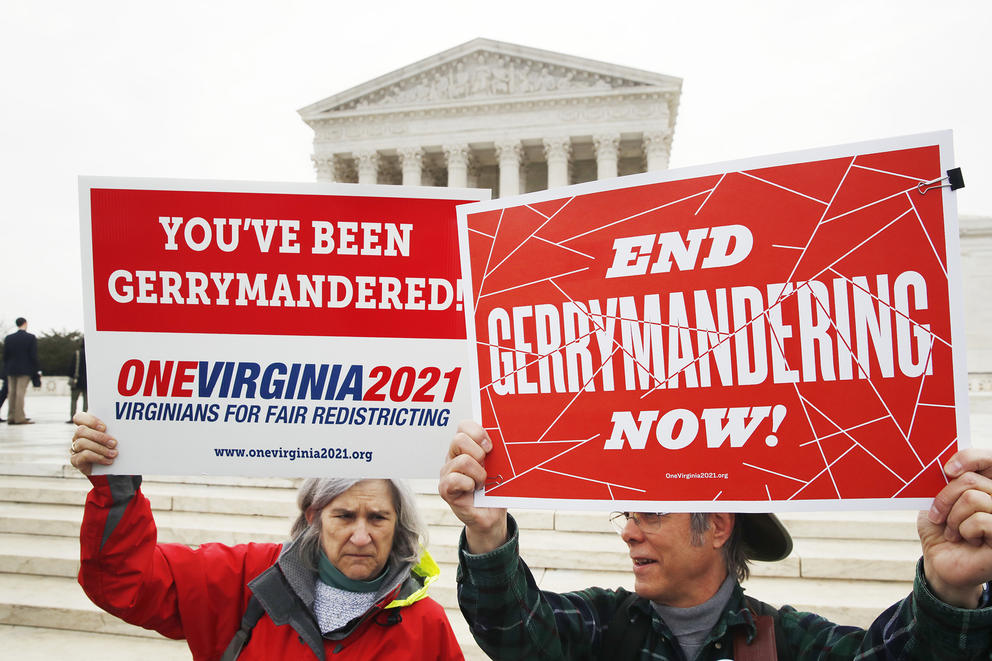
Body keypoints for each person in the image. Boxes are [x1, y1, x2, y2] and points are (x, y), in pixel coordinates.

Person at [439, 420, 992, 660]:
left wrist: (947, 590)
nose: (629, 530)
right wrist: (486, 531)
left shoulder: (792, 642)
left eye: (651, 512)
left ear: (719, 527)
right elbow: (514, 631)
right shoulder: (601, 626)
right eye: (628, 513)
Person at [70, 412, 464, 660]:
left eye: (378, 518)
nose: (361, 537)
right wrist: (117, 489)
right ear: (313, 516)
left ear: (399, 523)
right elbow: (127, 586)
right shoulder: (247, 579)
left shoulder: (425, 624)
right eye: (344, 516)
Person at [3, 317, 39, 425]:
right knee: (20, 393)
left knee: (11, 393)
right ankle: (19, 417)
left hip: (11, 369)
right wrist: (36, 368)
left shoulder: (9, 338)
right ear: (25, 323)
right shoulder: (30, 337)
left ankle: (11, 416)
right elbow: (33, 355)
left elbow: (5, 356)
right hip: (24, 369)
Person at [66, 337, 87, 423]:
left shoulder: (77, 353)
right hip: (87, 383)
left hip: (76, 381)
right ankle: (85, 419)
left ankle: (72, 417)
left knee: (74, 400)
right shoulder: (91, 354)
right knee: (86, 402)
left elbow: (71, 368)